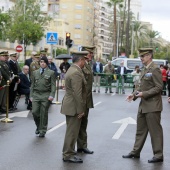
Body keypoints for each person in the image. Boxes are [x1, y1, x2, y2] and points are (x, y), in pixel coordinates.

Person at [123, 48, 164, 163]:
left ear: (149, 56)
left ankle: (158, 155)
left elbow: (159, 87)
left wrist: (143, 94)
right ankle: (135, 152)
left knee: (155, 132)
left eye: (143, 56)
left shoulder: (155, 69)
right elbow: (141, 86)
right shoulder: (144, 69)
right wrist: (134, 95)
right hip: (143, 105)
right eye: (140, 56)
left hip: (152, 106)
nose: (141, 58)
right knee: (140, 131)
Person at [61, 51, 87, 163]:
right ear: (80, 60)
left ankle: (68, 152)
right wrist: (80, 110)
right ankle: (68, 154)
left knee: (71, 131)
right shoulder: (76, 72)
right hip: (73, 106)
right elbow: (77, 93)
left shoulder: (72, 69)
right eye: (84, 60)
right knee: (72, 132)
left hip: (70, 105)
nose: (85, 62)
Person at [30, 56, 56, 137]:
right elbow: (32, 85)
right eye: (41, 62)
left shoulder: (51, 72)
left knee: (43, 113)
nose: (42, 63)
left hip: (46, 95)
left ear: (46, 63)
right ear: (39, 63)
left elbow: (53, 85)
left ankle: (43, 130)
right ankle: (38, 126)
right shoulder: (35, 73)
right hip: (36, 95)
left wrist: (52, 95)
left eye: (44, 62)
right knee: (34, 112)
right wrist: (31, 96)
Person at [77, 46, 95, 155]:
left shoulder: (87, 65)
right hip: (81, 100)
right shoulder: (81, 66)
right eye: (89, 53)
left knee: (83, 124)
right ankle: (74, 147)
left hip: (87, 99)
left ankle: (82, 146)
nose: (91, 55)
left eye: (91, 53)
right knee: (78, 124)